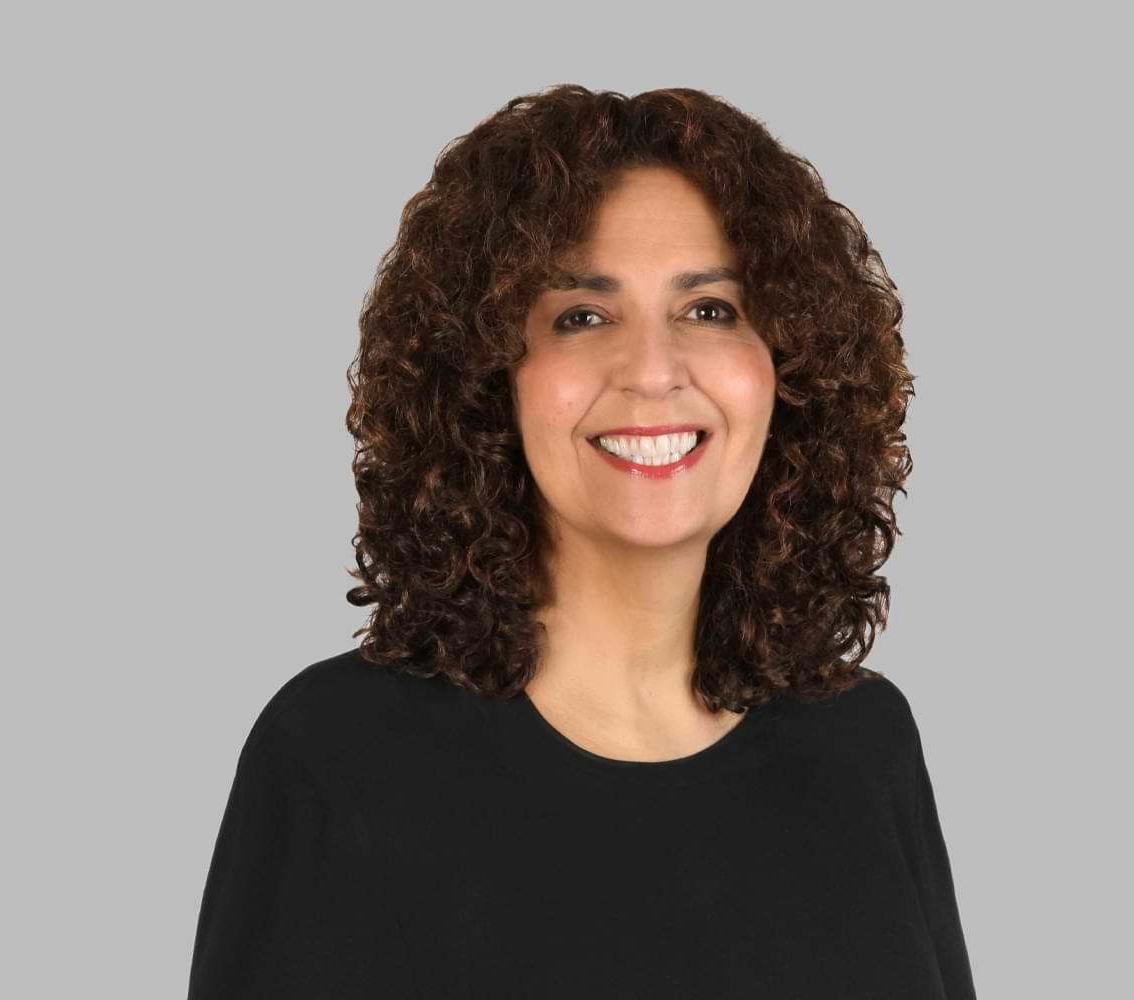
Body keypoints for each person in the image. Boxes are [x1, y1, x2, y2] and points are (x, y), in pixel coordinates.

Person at [186, 84, 976, 999]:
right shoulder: (340, 757)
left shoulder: (863, 742)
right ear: (488, 378)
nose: (652, 371)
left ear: (790, 367)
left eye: (710, 308)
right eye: (583, 317)